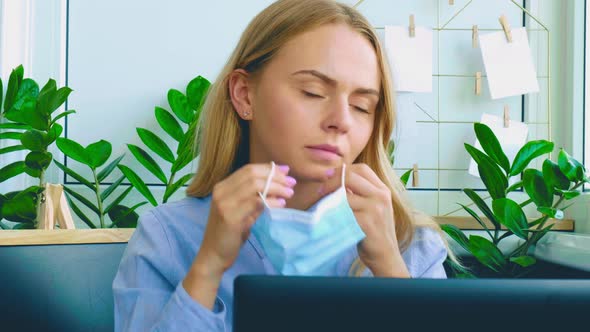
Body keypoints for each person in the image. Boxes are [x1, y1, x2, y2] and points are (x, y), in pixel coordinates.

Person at [113, 0, 459, 330]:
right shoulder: (167, 239)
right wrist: (208, 268)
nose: (341, 121)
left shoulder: (412, 248)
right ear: (245, 95)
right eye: (311, 92)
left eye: (361, 106)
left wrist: (389, 268)